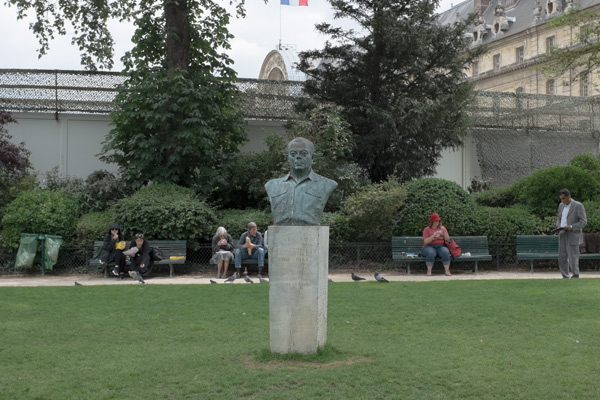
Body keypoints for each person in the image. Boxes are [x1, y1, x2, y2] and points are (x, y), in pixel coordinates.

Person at [265, 137, 337, 226]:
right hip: (280, 232)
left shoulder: (326, 184)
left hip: (312, 232)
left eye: (303, 153)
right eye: (293, 154)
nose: (298, 157)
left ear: (312, 157)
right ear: (288, 158)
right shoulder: (272, 185)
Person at [556, 188, 587, 279]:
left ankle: (575, 275)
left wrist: (571, 227)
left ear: (569, 196)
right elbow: (559, 217)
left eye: (563, 198)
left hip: (573, 234)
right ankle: (565, 276)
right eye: (561, 199)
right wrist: (558, 224)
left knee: (573, 256)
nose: (562, 201)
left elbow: (583, 222)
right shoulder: (561, 205)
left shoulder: (578, 206)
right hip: (562, 233)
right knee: (562, 256)